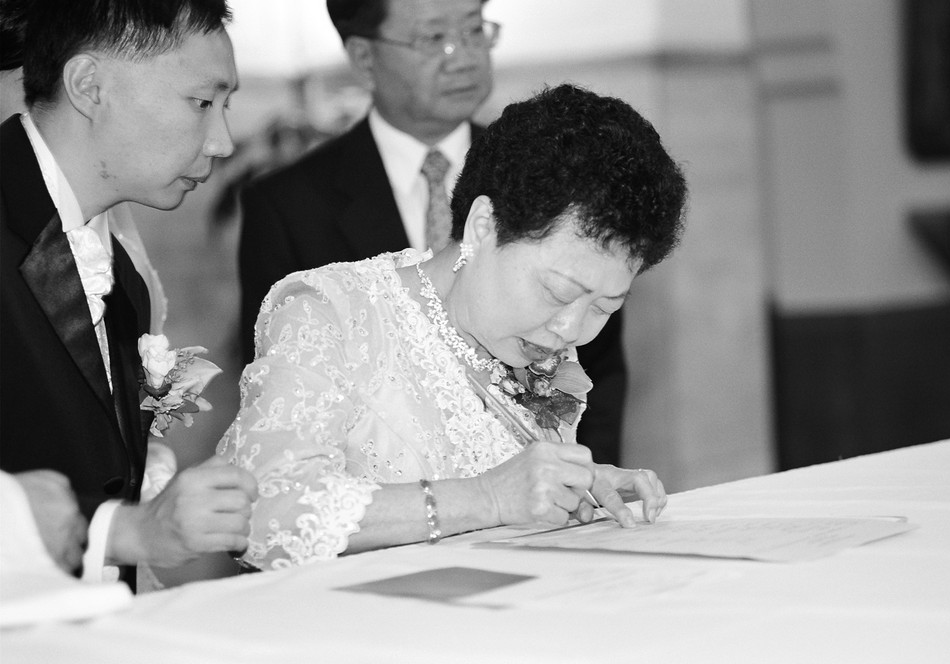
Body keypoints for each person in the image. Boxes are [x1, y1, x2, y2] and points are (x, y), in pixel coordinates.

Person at [218, 83, 687, 570]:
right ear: (484, 226)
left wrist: (573, 487)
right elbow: (263, 516)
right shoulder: (331, 312)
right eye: (558, 292)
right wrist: (486, 498)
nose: (571, 329)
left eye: (604, 306)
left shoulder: (533, 341)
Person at [236, 0, 630, 466]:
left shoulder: (558, 177)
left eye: (474, 31)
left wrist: (583, 481)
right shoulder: (288, 204)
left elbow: (598, 368)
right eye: (434, 37)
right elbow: (283, 396)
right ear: (364, 57)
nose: (463, 56)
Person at [1, 0, 257, 587]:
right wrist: (121, 533)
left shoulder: (122, 272)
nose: (222, 143)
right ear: (90, 87)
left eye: (226, 107)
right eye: (202, 103)